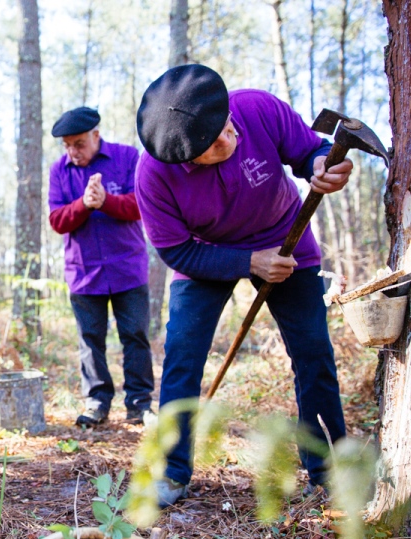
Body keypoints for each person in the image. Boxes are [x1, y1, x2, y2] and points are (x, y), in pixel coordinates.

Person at [134, 64, 353, 507]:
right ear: (184, 159)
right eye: (213, 147)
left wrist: (322, 165)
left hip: (286, 240)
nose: (228, 140)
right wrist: (248, 261)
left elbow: (310, 149)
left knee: (313, 352)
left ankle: (326, 470)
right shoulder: (153, 176)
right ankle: (173, 472)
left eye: (226, 128)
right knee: (182, 356)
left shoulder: (256, 108)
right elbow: (176, 251)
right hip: (207, 255)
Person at [48, 107, 155, 427]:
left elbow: (143, 205)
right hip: (84, 273)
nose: (72, 151)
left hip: (128, 268)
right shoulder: (59, 171)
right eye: (67, 145)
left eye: (78, 143)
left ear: (96, 135)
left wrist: (106, 201)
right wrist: (84, 204)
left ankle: (139, 403)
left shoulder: (128, 158)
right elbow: (57, 221)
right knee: (90, 339)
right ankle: (97, 401)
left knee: (135, 336)